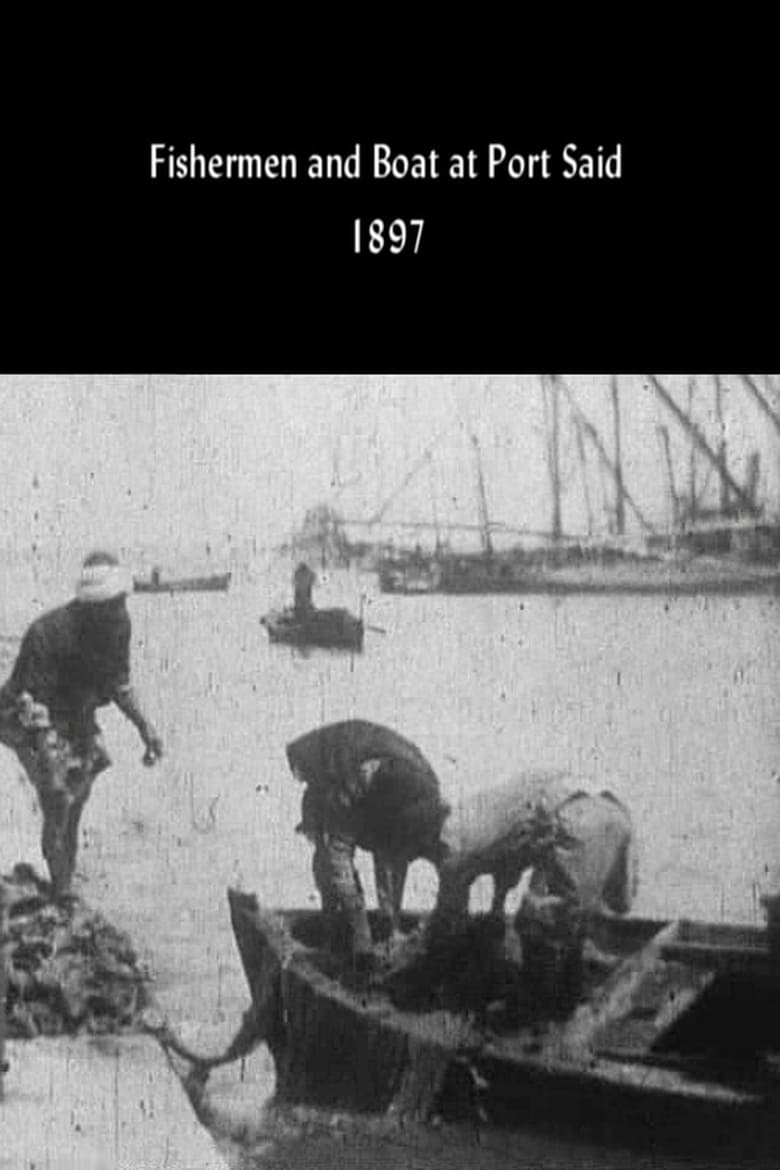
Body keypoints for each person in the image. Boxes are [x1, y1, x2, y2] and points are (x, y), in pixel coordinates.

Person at [0, 551, 164, 899]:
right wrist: (49, 764)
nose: (120, 610)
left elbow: (119, 684)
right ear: (92, 608)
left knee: (77, 796)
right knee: (57, 795)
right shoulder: (49, 632)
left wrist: (145, 729)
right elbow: (32, 707)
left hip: (75, 712)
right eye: (112, 604)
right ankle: (60, 888)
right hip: (25, 714)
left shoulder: (118, 625)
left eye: (121, 601)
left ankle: (64, 878)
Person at [423, 769, 637, 1008]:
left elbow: (451, 905)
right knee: (574, 914)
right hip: (615, 813)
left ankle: (531, 1009)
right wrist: (497, 910)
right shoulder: (480, 812)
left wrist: (439, 949)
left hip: (574, 820)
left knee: (537, 919)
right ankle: (567, 993)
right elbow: (510, 861)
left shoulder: (453, 840)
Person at [286, 719, 447, 980]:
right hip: (350, 781)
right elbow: (339, 861)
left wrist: (391, 925)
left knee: (387, 854)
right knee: (335, 866)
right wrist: (361, 935)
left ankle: (386, 928)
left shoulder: (416, 791)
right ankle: (345, 934)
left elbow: (393, 855)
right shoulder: (344, 792)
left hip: (384, 786)